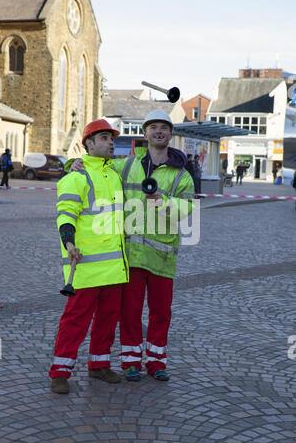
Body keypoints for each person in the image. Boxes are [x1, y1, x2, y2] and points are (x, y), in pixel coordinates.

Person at [68, 110, 195, 382]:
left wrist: (166, 202)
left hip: (162, 256)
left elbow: (190, 207)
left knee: (161, 313)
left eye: (164, 127)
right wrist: (74, 164)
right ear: (145, 133)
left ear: (171, 134)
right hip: (133, 256)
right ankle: (131, 362)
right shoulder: (126, 164)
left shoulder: (181, 174)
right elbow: (95, 166)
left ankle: (157, 362)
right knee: (130, 312)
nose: (159, 131)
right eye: (153, 127)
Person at [49, 119, 129, 394]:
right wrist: (68, 243)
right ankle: (60, 372)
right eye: (104, 138)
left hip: (114, 266)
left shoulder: (115, 173)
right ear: (89, 144)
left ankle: (99, 365)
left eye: (111, 139)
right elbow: (66, 214)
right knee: (75, 321)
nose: (110, 143)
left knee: (108, 319)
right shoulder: (76, 176)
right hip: (84, 265)